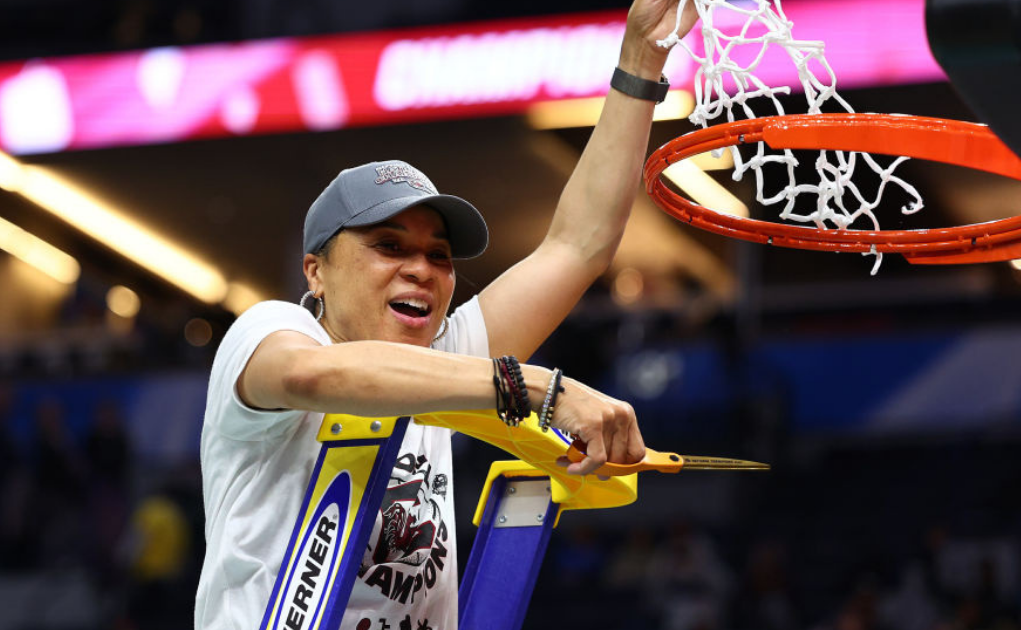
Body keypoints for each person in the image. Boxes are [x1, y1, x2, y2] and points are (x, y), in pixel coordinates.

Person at [194, 2, 699, 629]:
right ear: (315, 272)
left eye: (439, 255)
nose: (422, 270)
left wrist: (641, 59)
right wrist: (535, 386)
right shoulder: (270, 333)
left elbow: (579, 244)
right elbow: (317, 379)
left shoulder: (444, 357)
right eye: (389, 247)